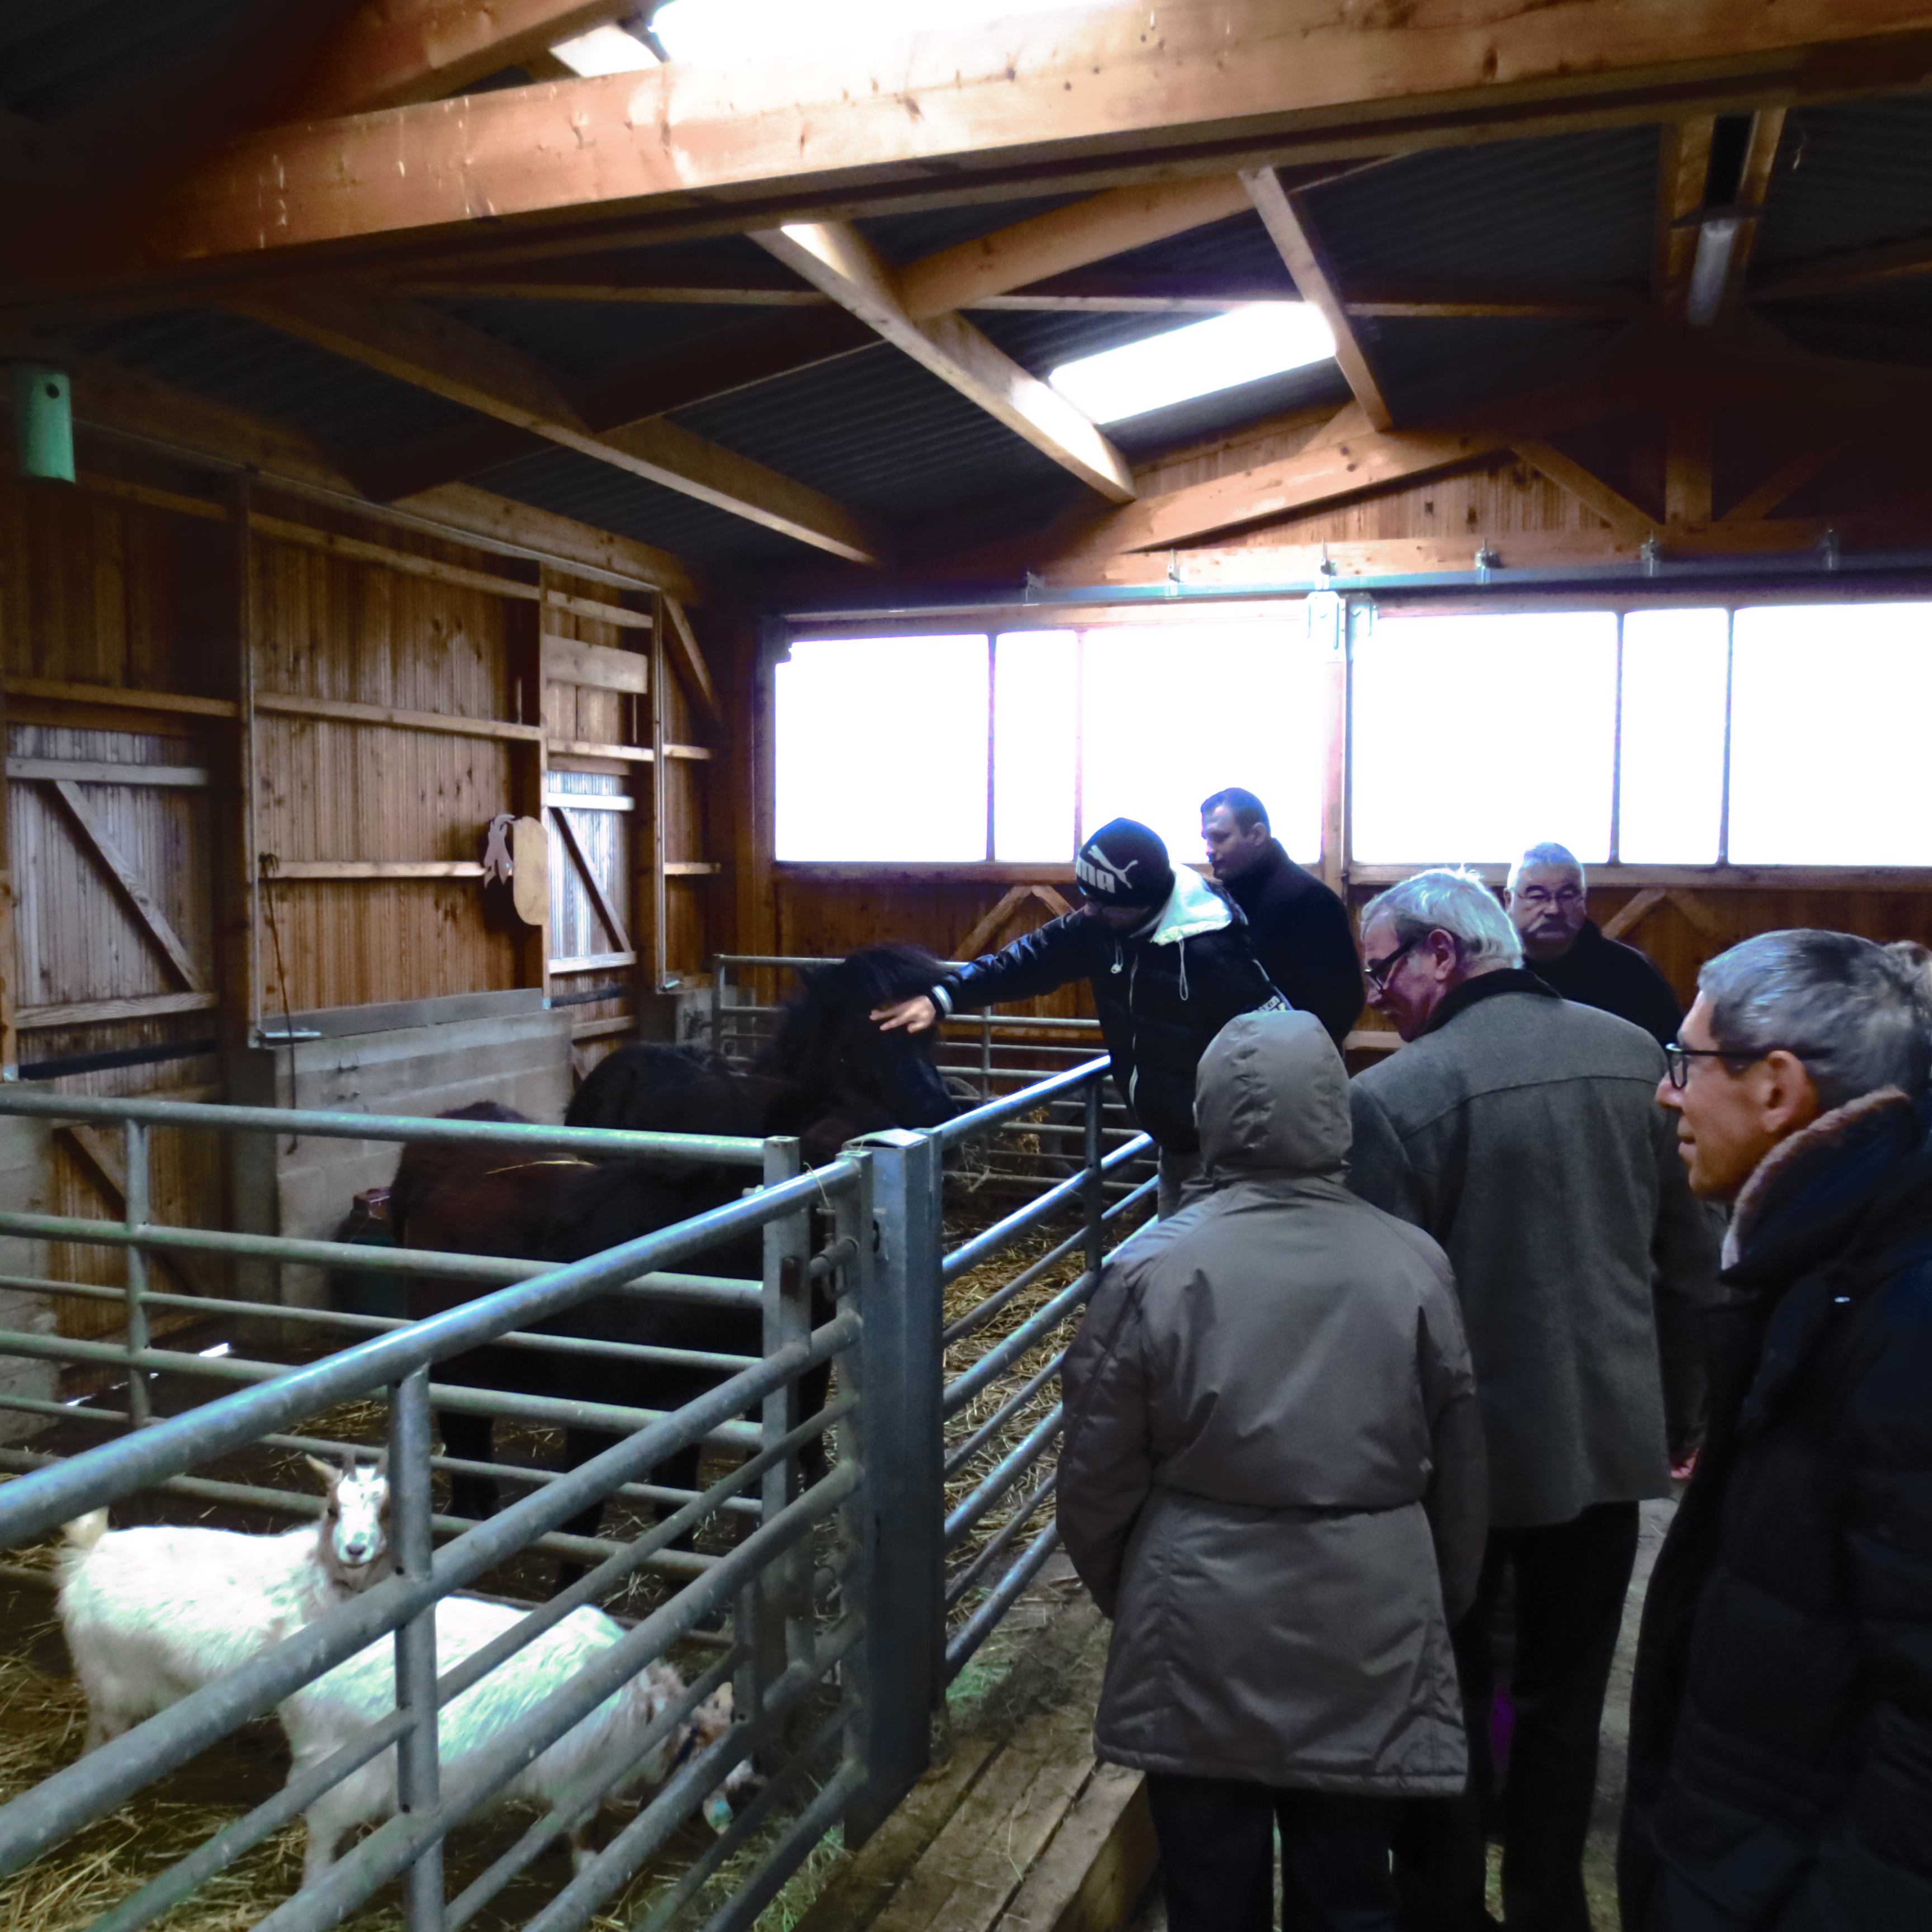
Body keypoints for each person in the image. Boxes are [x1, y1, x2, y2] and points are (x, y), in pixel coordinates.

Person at [1344, 868, 1719, 1932]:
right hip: (1606, 1443)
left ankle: (1446, 1905)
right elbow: (1685, 1262)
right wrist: (1680, 1408)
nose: (1375, 995)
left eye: (1382, 969)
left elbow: (1385, 1305)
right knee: (1564, 1697)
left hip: (1453, 1467)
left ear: (1443, 955)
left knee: (1447, 1693)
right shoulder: (1634, 1058)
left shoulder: (1394, 1100)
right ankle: (1551, 1904)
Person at [1058, 1008, 1488, 1932]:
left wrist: (1139, 1589)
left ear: (1210, 1112)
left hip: (1199, 1611)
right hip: (1367, 1612)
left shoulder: (1150, 1270)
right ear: (1337, 1110)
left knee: (1210, 1888)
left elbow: (1094, 1477)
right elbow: (1460, 1469)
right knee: (1349, 1882)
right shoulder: (1413, 1263)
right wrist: (1428, 1601)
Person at [1620, 930, 1932, 1931]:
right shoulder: (1822, 1272)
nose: (1667, 1093)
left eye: (1688, 1062)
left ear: (1776, 1088)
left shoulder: (1901, 1326)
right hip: (1739, 1842)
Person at [872, 817, 1284, 1216]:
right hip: (1173, 1144)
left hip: (1225, 1152)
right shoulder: (1105, 926)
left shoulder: (1212, 952)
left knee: (1199, 1259)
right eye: (1088, 898)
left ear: (1143, 903)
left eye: (1104, 904)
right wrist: (942, 996)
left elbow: (1276, 1040)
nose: (1089, 911)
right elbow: (1029, 960)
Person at [1201, 785, 1363, 1045]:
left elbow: (1340, 1006)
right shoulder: (1219, 901)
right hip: (1228, 1059)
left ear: (1256, 834)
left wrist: (1288, 1059)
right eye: (1206, 839)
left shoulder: (1310, 900)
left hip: (1290, 1068)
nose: (1209, 850)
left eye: (1220, 838)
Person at [1505, 842, 1681, 1047]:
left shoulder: (1633, 973)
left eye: (1568, 896)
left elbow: (1670, 1052)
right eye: (1537, 896)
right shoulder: (1491, 972)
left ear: (1584, 900)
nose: (1554, 909)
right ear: (1508, 901)